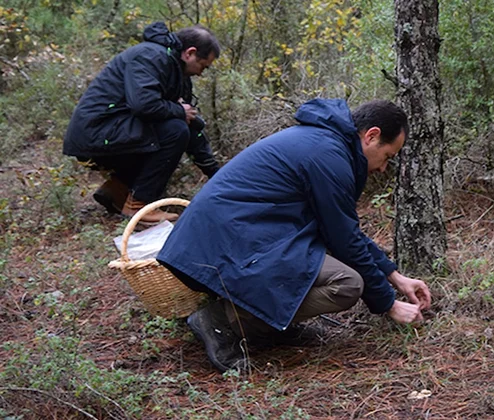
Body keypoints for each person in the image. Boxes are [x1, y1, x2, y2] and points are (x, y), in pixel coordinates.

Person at [157, 98, 432, 372]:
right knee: (347, 284)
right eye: (388, 157)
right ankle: (223, 319)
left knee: (318, 261)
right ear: (372, 136)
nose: (383, 168)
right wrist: (387, 303)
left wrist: (395, 276)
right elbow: (345, 241)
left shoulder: (327, 144)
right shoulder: (328, 155)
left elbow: (345, 230)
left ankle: (272, 323)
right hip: (228, 239)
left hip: (232, 236)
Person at [63, 22, 221, 224]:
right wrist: (179, 111)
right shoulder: (151, 56)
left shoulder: (177, 73)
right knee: (174, 131)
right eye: (203, 66)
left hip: (111, 131)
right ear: (190, 53)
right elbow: (143, 105)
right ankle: (140, 205)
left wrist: (215, 173)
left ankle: (116, 191)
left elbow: (190, 126)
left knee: (176, 127)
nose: (201, 73)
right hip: (95, 133)